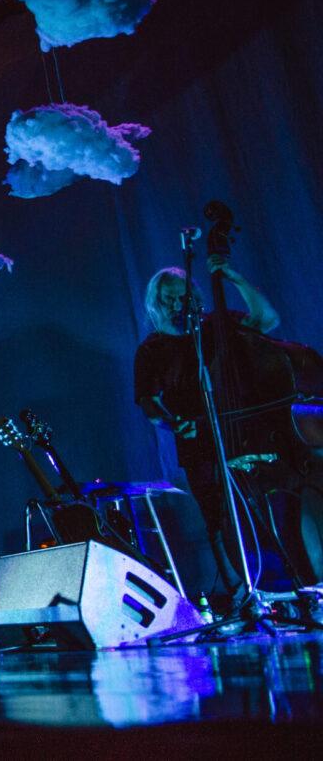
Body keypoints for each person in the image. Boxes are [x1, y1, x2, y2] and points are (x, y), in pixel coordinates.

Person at [133, 256, 283, 603]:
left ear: (195, 298)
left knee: (266, 509)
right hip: (198, 444)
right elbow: (149, 403)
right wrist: (173, 423)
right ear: (156, 304)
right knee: (218, 520)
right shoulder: (152, 350)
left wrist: (234, 277)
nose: (176, 306)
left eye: (181, 297)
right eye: (167, 300)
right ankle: (242, 595)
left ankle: (287, 583)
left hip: (244, 434)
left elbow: (267, 320)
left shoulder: (216, 326)